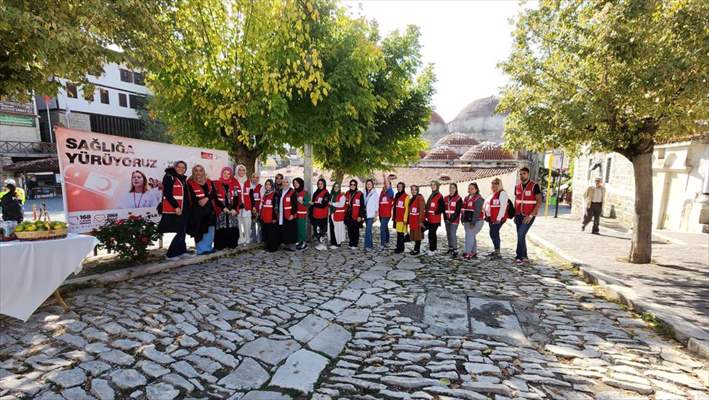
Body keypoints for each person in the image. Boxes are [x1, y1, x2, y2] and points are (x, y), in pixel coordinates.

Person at [158, 161, 194, 260]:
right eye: (179, 167)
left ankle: (181, 251)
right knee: (180, 230)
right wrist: (176, 207)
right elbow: (167, 193)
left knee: (183, 230)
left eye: (183, 168)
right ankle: (171, 254)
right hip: (176, 209)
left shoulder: (183, 179)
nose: (181, 169)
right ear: (175, 167)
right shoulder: (169, 176)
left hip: (185, 209)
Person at [187, 165, 217, 255]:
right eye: (196, 171)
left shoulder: (209, 182)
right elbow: (189, 196)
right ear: (193, 172)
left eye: (200, 170)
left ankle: (208, 248)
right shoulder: (189, 183)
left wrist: (206, 198)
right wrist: (199, 201)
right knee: (200, 229)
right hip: (197, 210)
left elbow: (214, 193)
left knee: (210, 228)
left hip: (210, 209)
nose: (199, 173)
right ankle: (201, 250)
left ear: (203, 172)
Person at [514, 167, 542, 264]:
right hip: (518, 215)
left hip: (529, 215)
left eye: (524, 173)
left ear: (528, 174)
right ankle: (523, 256)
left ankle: (519, 255)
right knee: (520, 235)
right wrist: (514, 214)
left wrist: (530, 215)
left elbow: (539, 202)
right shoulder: (517, 187)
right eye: (520, 174)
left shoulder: (534, 186)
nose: (522, 176)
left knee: (521, 234)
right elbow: (516, 201)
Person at [213, 166, 240, 250]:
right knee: (222, 227)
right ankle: (221, 245)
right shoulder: (216, 183)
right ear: (222, 173)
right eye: (225, 173)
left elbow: (236, 197)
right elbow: (215, 198)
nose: (226, 175)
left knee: (232, 227)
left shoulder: (234, 185)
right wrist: (223, 207)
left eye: (228, 174)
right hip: (221, 209)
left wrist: (234, 208)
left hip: (232, 210)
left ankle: (231, 244)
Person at [484, 178, 508, 259]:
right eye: (493, 183)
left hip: (498, 218)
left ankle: (498, 253)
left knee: (494, 233)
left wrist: (499, 218)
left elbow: (503, 207)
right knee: (492, 233)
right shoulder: (492, 194)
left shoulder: (502, 193)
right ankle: (496, 251)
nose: (494, 185)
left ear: (500, 184)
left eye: (496, 183)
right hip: (491, 218)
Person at [461, 182, 485, 259]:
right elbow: (464, 209)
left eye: (472, 189)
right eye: (469, 188)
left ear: (476, 189)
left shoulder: (479, 199)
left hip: (477, 221)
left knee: (469, 235)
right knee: (471, 235)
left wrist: (473, 222)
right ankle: (473, 252)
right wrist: (462, 219)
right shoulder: (466, 198)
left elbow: (477, 212)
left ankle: (467, 253)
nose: (470, 190)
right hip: (467, 221)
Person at [234, 164, 253, 245]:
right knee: (238, 222)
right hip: (238, 205)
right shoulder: (234, 180)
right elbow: (233, 194)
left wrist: (252, 206)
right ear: (237, 171)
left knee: (247, 222)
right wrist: (237, 204)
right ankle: (241, 238)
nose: (241, 171)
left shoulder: (248, 181)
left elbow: (251, 195)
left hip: (247, 205)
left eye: (243, 170)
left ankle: (247, 237)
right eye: (239, 170)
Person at [424, 180, 445, 255]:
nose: (432, 186)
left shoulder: (439, 196)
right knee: (432, 234)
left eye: (434, 185)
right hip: (430, 218)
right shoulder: (432, 195)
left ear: (437, 186)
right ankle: (433, 248)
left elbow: (442, 208)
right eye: (431, 185)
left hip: (435, 219)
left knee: (431, 234)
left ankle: (432, 250)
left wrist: (435, 212)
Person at [443, 183, 463, 257]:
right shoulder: (445, 198)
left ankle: (455, 249)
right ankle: (450, 248)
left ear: (456, 189)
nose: (451, 189)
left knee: (452, 234)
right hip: (446, 220)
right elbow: (443, 209)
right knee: (448, 234)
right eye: (450, 187)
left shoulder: (458, 198)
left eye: (453, 188)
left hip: (454, 220)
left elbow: (458, 211)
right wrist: (446, 218)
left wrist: (451, 219)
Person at [278, 177, 298, 251]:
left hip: (290, 214)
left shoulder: (292, 192)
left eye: (287, 182)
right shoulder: (280, 191)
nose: (285, 183)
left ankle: (292, 246)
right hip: (282, 213)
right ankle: (286, 244)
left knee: (291, 229)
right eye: (284, 182)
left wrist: (292, 214)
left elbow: (295, 205)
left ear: (289, 183)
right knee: (285, 229)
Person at [310, 178, 330, 250]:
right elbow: (314, 202)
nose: (320, 185)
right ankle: (321, 243)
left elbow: (324, 204)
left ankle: (323, 245)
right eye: (318, 184)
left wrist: (314, 204)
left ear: (324, 184)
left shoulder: (326, 193)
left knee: (322, 230)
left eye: (321, 184)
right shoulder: (316, 192)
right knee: (316, 230)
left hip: (322, 215)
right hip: (315, 214)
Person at [260, 179, 279, 252]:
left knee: (272, 233)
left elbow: (276, 207)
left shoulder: (275, 194)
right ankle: (268, 246)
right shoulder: (265, 194)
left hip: (271, 217)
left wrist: (275, 217)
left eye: (269, 184)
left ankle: (273, 247)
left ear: (272, 185)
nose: (267, 186)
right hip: (265, 216)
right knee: (267, 232)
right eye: (266, 184)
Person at [345, 179, 365, 249]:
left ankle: (355, 244)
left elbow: (362, 206)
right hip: (348, 215)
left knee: (355, 230)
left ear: (356, 185)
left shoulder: (360, 194)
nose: (352, 186)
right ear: (349, 185)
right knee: (350, 229)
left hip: (356, 215)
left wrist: (360, 216)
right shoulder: (347, 193)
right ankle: (351, 243)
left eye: (354, 184)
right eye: (351, 184)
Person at [407, 184, 426, 255]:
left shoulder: (419, 198)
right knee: (415, 235)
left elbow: (422, 210)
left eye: (415, 189)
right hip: (412, 219)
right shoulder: (412, 198)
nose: (413, 191)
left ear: (417, 190)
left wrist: (421, 221)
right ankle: (415, 248)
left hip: (417, 220)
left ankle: (417, 250)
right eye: (412, 189)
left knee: (418, 235)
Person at [378, 174, 395, 250]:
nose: (385, 185)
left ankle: (382, 244)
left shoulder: (390, 192)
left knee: (382, 228)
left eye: (386, 184)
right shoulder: (382, 193)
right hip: (381, 214)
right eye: (384, 184)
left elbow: (388, 185)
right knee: (385, 228)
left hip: (386, 215)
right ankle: (387, 241)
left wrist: (385, 178)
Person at [293, 177, 310, 250]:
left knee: (302, 228)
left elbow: (308, 203)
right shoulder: (294, 192)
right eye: (294, 183)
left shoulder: (304, 192)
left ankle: (304, 243)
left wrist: (302, 202)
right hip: (295, 213)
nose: (295, 184)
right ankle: (299, 241)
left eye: (297, 183)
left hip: (302, 213)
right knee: (297, 228)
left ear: (300, 183)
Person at [392, 182, 409, 254]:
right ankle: (398, 247)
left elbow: (407, 208)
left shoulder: (406, 196)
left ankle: (401, 248)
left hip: (402, 218)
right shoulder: (396, 195)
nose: (399, 188)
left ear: (403, 188)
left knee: (401, 234)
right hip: (397, 217)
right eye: (398, 187)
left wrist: (405, 219)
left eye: (401, 187)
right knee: (398, 233)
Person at [329, 182, 346, 248]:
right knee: (332, 229)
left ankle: (338, 243)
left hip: (338, 214)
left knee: (338, 229)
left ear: (339, 188)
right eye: (335, 186)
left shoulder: (342, 196)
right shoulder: (331, 195)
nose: (336, 188)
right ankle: (333, 242)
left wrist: (332, 203)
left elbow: (341, 204)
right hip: (331, 214)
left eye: (337, 187)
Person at [363, 179, 378, 251]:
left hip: (371, 215)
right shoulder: (364, 193)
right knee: (367, 230)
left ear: (372, 185)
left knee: (368, 230)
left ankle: (368, 246)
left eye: (370, 184)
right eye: (367, 184)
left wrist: (376, 216)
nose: (368, 185)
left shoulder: (375, 194)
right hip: (365, 214)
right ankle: (369, 245)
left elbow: (376, 205)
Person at [250, 173, 263, 243]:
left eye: (257, 177)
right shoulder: (249, 186)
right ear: (251, 178)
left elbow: (262, 199)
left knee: (259, 225)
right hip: (251, 209)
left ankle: (260, 239)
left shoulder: (261, 187)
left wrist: (259, 210)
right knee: (252, 225)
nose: (255, 179)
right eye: (254, 177)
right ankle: (253, 239)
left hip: (258, 210)